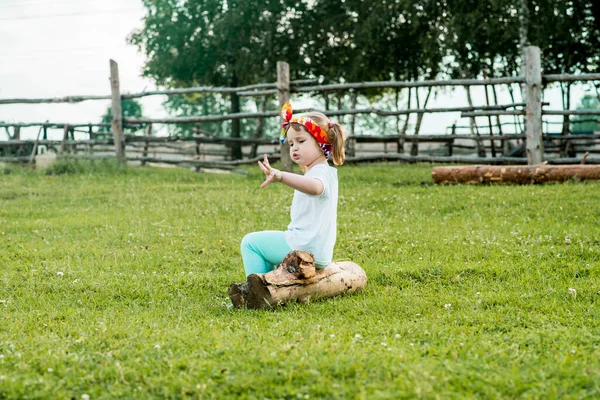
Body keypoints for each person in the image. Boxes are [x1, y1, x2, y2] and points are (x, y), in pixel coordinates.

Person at [240, 102, 346, 276]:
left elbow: (315, 188)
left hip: (305, 247)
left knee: (250, 243)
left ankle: (254, 292)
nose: (294, 147)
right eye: (290, 143)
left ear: (321, 143)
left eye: (301, 141)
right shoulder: (323, 171)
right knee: (265, 250)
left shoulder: (320, 173)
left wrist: (282, 176)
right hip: (318, 250)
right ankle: (269, 287)